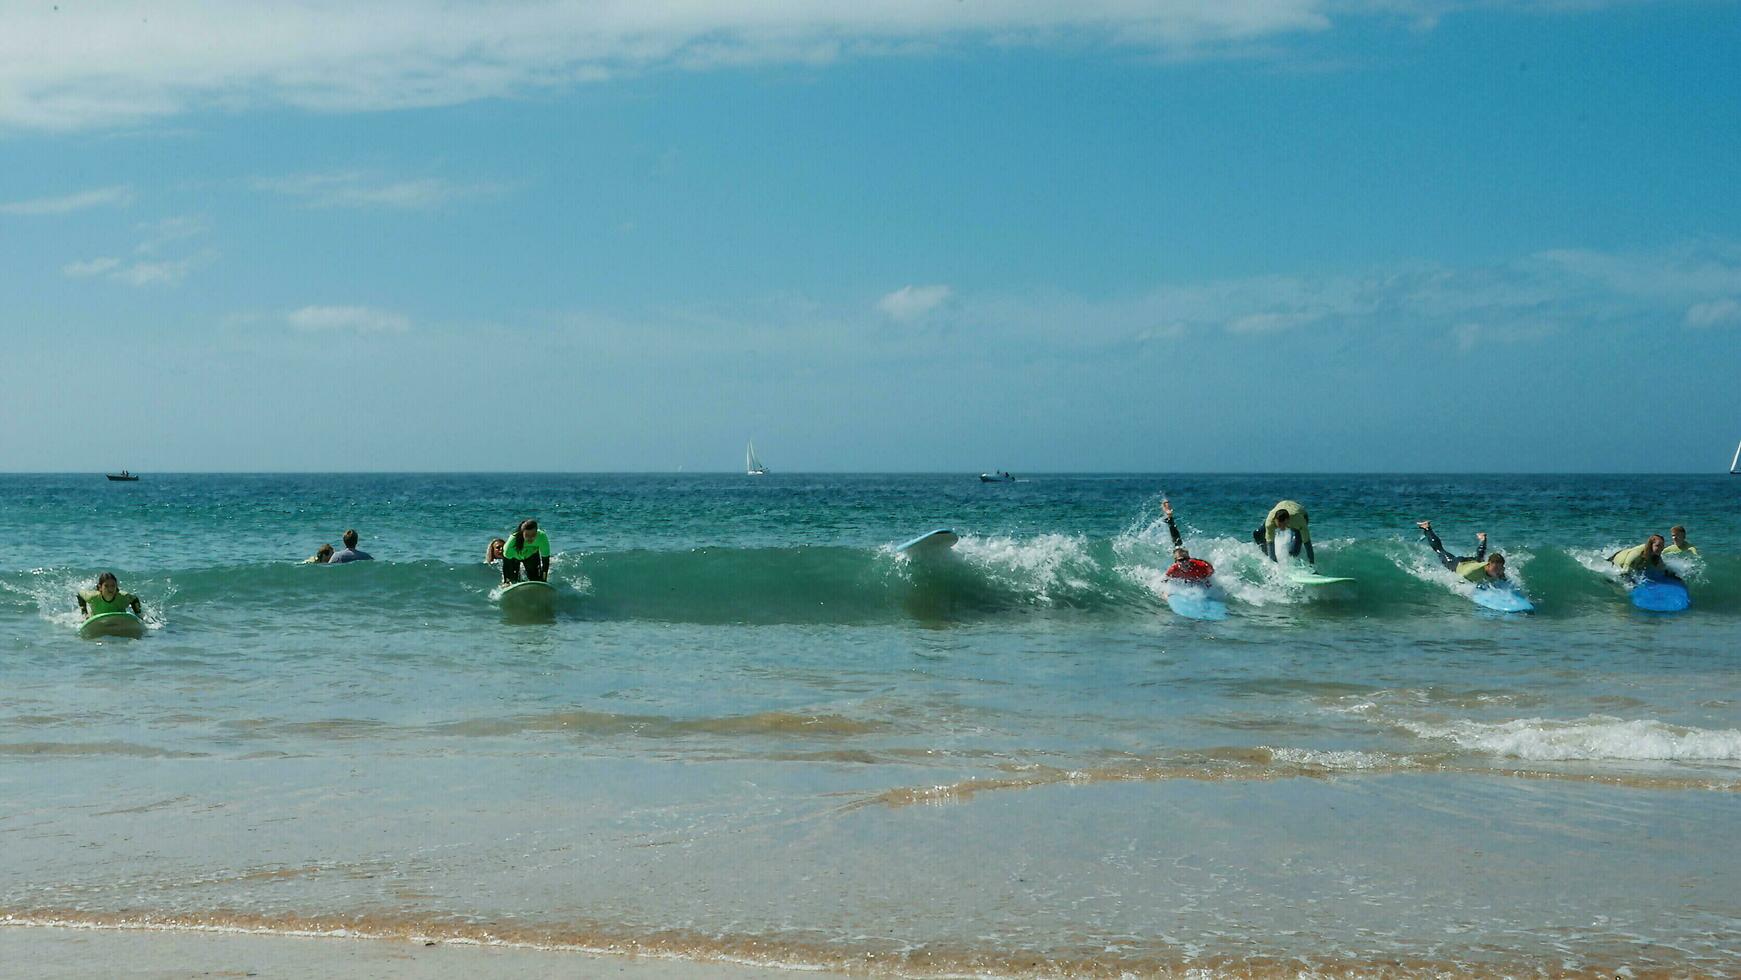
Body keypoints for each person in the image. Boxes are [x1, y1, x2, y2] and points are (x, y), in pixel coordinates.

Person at [1415, 521, 1506, 584]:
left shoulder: (1500, 571)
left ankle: (1483, 538)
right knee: (1440, 550)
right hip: (1457, 564)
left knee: (1479, 558)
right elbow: (1460, 582)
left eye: (1500, 568)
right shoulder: (1470, 572)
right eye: (1495, 568)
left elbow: (1502, 577)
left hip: (1473, 562)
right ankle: (1427, 528)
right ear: (1488, 564)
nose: (1498, 571)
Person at [1160, 499, 1213, 581]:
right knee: (1177, 542)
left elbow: (1211, 573)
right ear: (1176, 562)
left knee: (1178, 543)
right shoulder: (1173, 569)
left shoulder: (1201, 566)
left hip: (1199, 570)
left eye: (1185, 559)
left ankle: (1170, 518)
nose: (1183, 562)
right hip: (1181, 558)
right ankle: (1169, 517)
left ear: (1189, 559)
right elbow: (1165, 581)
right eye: (1180, 560)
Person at [1255, 500, 1315, 565]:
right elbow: (1270, 542)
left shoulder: (1299, 521)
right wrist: (1273, 563)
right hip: (1281, 507)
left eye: (1283, 525)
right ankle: (1266, 554)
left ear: (1287, 521)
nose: (1281, 528)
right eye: (1279, 525)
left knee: (1293, 552)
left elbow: (1307, 543)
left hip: (1300, 512)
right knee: (1257, 533)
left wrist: (1312, 564)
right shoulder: (1270, 523)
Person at [1609, 534, 1679, 580]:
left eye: (1662, 546)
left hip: (1630, 556)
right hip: (1617, 559)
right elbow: (1624, 573)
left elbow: (1663, 569)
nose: (1661, 548)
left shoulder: (1656, 554)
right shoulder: (1636, 555)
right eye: (1657, 546)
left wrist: (1674, 576)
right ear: (1651, 545)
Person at [501, 520, 550, 584]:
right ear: (522, 533)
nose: (530, 538)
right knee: (513, 580)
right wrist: (506, 581)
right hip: (514, 557)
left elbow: (545, 560)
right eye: (527, 535)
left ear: (537, 532)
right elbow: (506, 564)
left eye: (533, 535)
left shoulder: (541, 537)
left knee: (536, 580)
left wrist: (544, 580)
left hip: (531, 555)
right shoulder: (512, 541)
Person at [76, 572, 143, 618]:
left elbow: (134, 599)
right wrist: (84, 613)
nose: (110, 588)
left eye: (113, 585)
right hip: (96, 620)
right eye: (106, 586)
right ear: (100, 587)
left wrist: (138, 614)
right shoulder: (93, 597)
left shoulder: (123, 597)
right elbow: (79, 594)